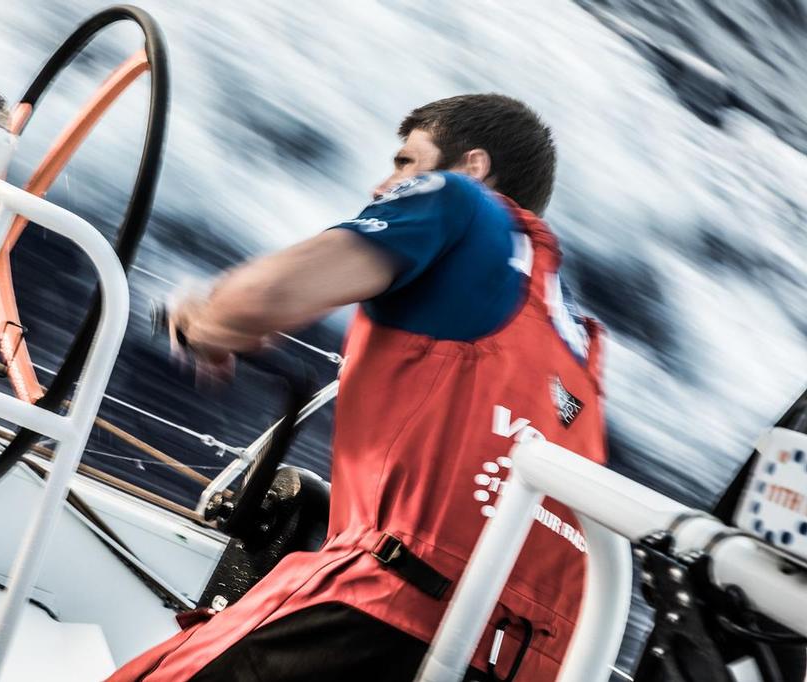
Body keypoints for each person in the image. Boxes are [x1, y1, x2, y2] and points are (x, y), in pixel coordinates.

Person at [108, 94, 608, 682]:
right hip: (522, 662)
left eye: (405, 161)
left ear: (473, 166)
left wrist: (204, 317)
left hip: (387, 613)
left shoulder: (461, 201)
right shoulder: (582, 340)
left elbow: (254, 302)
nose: (383, 184)